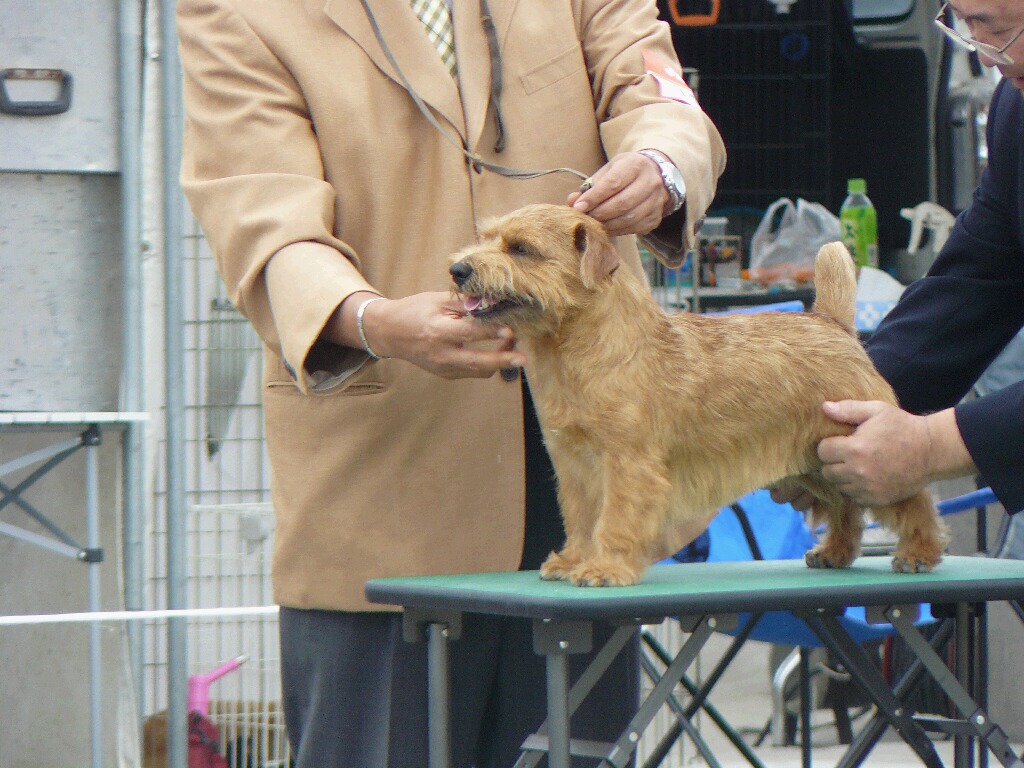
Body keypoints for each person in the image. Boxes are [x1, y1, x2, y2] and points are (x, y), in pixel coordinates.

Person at [176, 0, 726, 765]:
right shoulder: (236, 12)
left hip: (590, 485)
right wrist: (373, 321)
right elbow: (264, 217)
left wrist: (662, 167)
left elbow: (655, 90)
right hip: (386, 501)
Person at [776, 0, 1024, 518]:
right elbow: (975, 280)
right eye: (966, 29)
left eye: (999, 32)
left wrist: (930, 446)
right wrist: (838, 407)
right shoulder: (1014, 110)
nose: (985, 58)